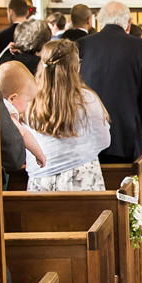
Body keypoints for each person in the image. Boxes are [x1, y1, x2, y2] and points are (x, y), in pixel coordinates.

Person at [76, 1, 142, 165]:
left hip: (87, 136)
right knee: (126, 189)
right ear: (128, 23)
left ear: (100, 21)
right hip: (126, 136)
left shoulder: (82, 45)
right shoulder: (141, 48)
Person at [24, 40, 109, 191]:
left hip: (41, 179)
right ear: (75, 67)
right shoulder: (87, 99)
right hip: (82, 177)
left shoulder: (30, 100)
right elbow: (104, 140)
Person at [0, 60, 46, 170]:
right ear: (12, 98)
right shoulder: (6, 112)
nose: (28, 106)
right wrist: (39, 154)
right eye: (27, 101)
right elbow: (24, 134)